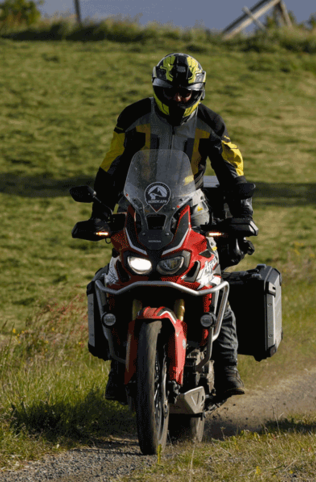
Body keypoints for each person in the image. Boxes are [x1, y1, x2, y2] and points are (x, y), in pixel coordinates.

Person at [72, 53, 256, 401]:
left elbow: (232, 168)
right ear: (158, 88)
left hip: (193, 210)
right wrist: (100, 212)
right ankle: (117, 366)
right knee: (114, 278)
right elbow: (112, 165)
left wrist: (242, 210)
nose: (179, 99)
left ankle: (228, 365)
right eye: (171, 91)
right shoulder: (134, 117)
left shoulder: (210, 124)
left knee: (213, 280)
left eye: (187, 92)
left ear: (198, 91)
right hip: (137, 210)